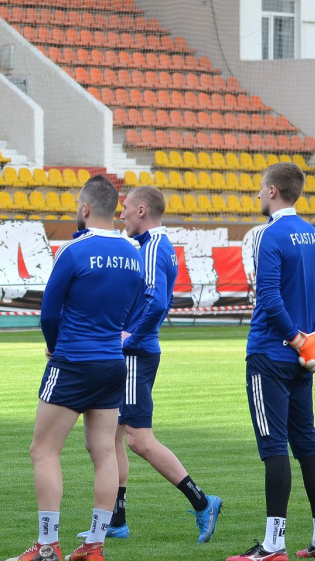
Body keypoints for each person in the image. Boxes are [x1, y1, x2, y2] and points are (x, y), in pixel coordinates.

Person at [4, 175, 143, 561]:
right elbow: (135, 306)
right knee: (103, 452)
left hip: (73, 361)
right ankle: (95, 545)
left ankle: (47, 545)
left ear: (85, 209)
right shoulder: (133, 253)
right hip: (112, 362)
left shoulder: (74, 251)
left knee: (44, 450)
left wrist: (53, 343)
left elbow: (49, 310)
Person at [79, 186, 222, 542]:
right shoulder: (151, 246)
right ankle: (117, 520)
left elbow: (157, 302)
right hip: (135, 351)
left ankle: (203, 502)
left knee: (138, 439)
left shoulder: (154, 247)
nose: (121, 213)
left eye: (126, 208)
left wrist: (132, 337)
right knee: (109, 436)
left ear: (142, 210)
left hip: (136, 354)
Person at [227, 162, 315, 561]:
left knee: (274, 447)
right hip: (300, 361)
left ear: (273, 190)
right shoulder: (312, 234)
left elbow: (269, 298)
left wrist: (296, 339)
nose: (258, 195)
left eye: (260, 188)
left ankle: (273, 544)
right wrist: (314, 339)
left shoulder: (269, 234)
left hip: (270, 355)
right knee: (306, 444)